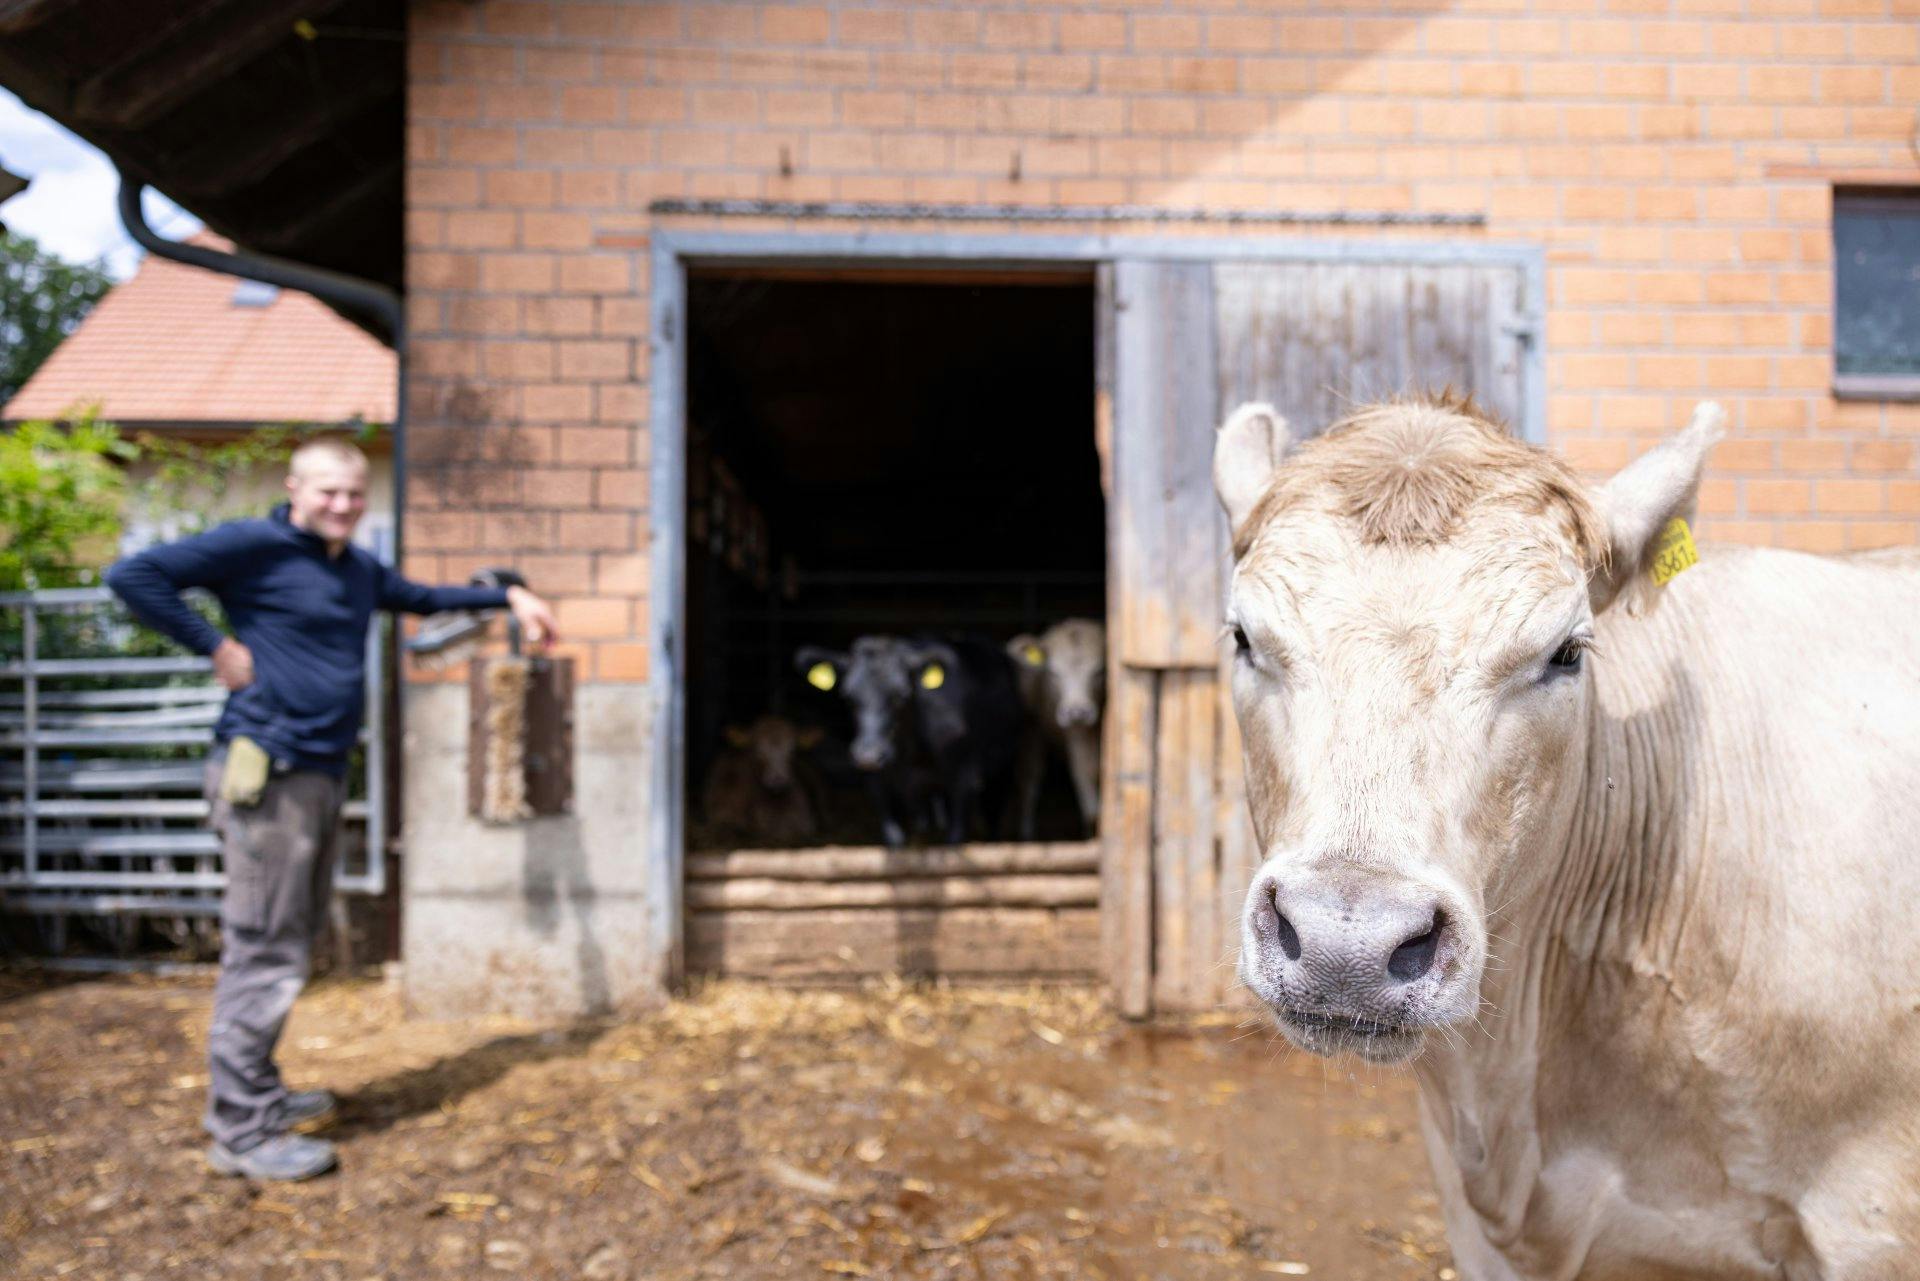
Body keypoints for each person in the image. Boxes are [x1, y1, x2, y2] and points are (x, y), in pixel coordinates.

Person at [105, 435, 558, 1182]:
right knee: (264, 947)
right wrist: (213, 645)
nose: (343, 504)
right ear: (295, 488)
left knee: (292, 938)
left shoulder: (350, 567)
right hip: (269, 770)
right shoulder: (257, 543)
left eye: (353, 493)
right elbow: (133, 573)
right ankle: (240, 1129)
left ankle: (259, 1095)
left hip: (315, 773)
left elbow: (421, 598)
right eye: (328, 492)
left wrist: (507, 595)